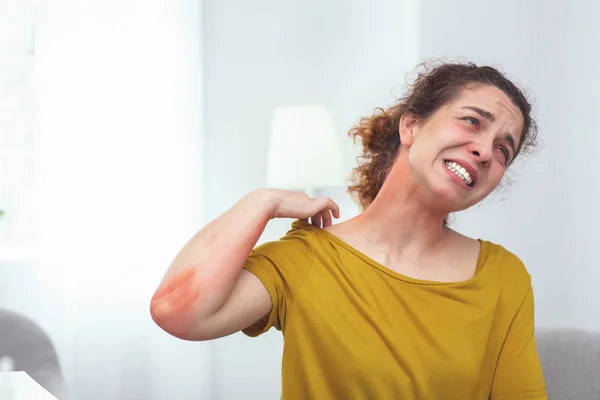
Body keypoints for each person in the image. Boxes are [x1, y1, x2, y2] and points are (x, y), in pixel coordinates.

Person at [150, 61, 548, 399]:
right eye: (471, 121)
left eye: (502, 150)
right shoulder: (308, 257)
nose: (484, 150)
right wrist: (262, 202)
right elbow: (178, 312)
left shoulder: (501, 276)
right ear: (410, 126)